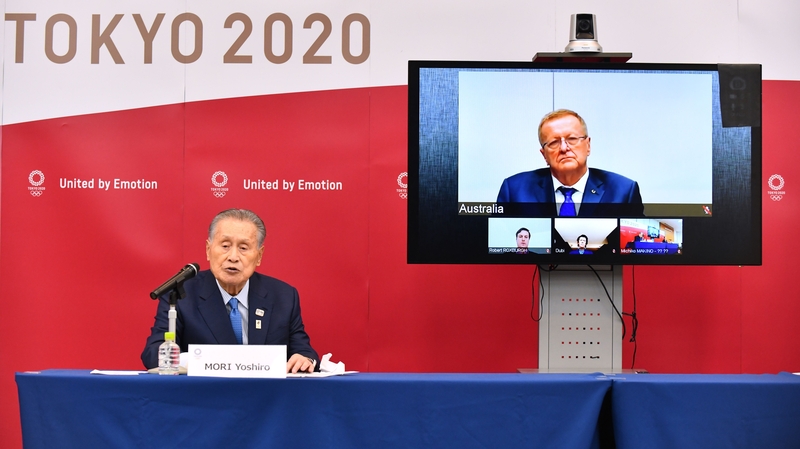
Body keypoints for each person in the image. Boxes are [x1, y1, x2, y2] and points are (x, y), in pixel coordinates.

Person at [141, 209, 319, 373]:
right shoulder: (181, 295)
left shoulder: (283, 296)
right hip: (205, 399)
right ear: (208, 250)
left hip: (265, 400)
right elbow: (153, 353)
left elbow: (303, 351)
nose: (233, 257)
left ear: (259, 256)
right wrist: (195, 360)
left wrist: (304, 359)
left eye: (243, 248)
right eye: (225, 246)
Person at [496, 109, 644, 217]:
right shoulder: (514, 190)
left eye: (572, 139)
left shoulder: (623, 191)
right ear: (544, 155)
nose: (564, 148)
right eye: (554, 142)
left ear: (588, 145)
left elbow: (635, 253)